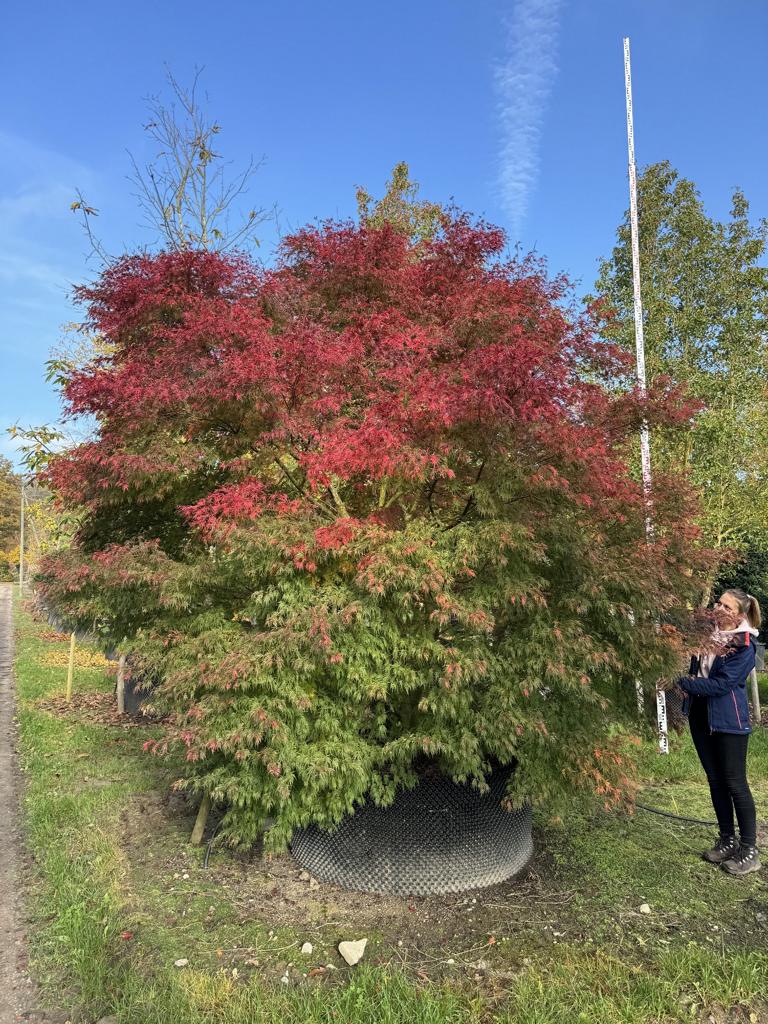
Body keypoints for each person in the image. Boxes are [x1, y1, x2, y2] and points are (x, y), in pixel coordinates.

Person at [677, 589, 761, 875]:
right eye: (719, 603)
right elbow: (697, 668)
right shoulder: (708, 635)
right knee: (715, 780)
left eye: (727, 606)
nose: (720, 608)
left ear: (739, 615)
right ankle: (727, 839)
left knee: (735, 783)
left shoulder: (744, 645)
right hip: (701, 717)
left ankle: (749, 849)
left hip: (729, 721)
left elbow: (720, 686)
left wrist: (682, 683)